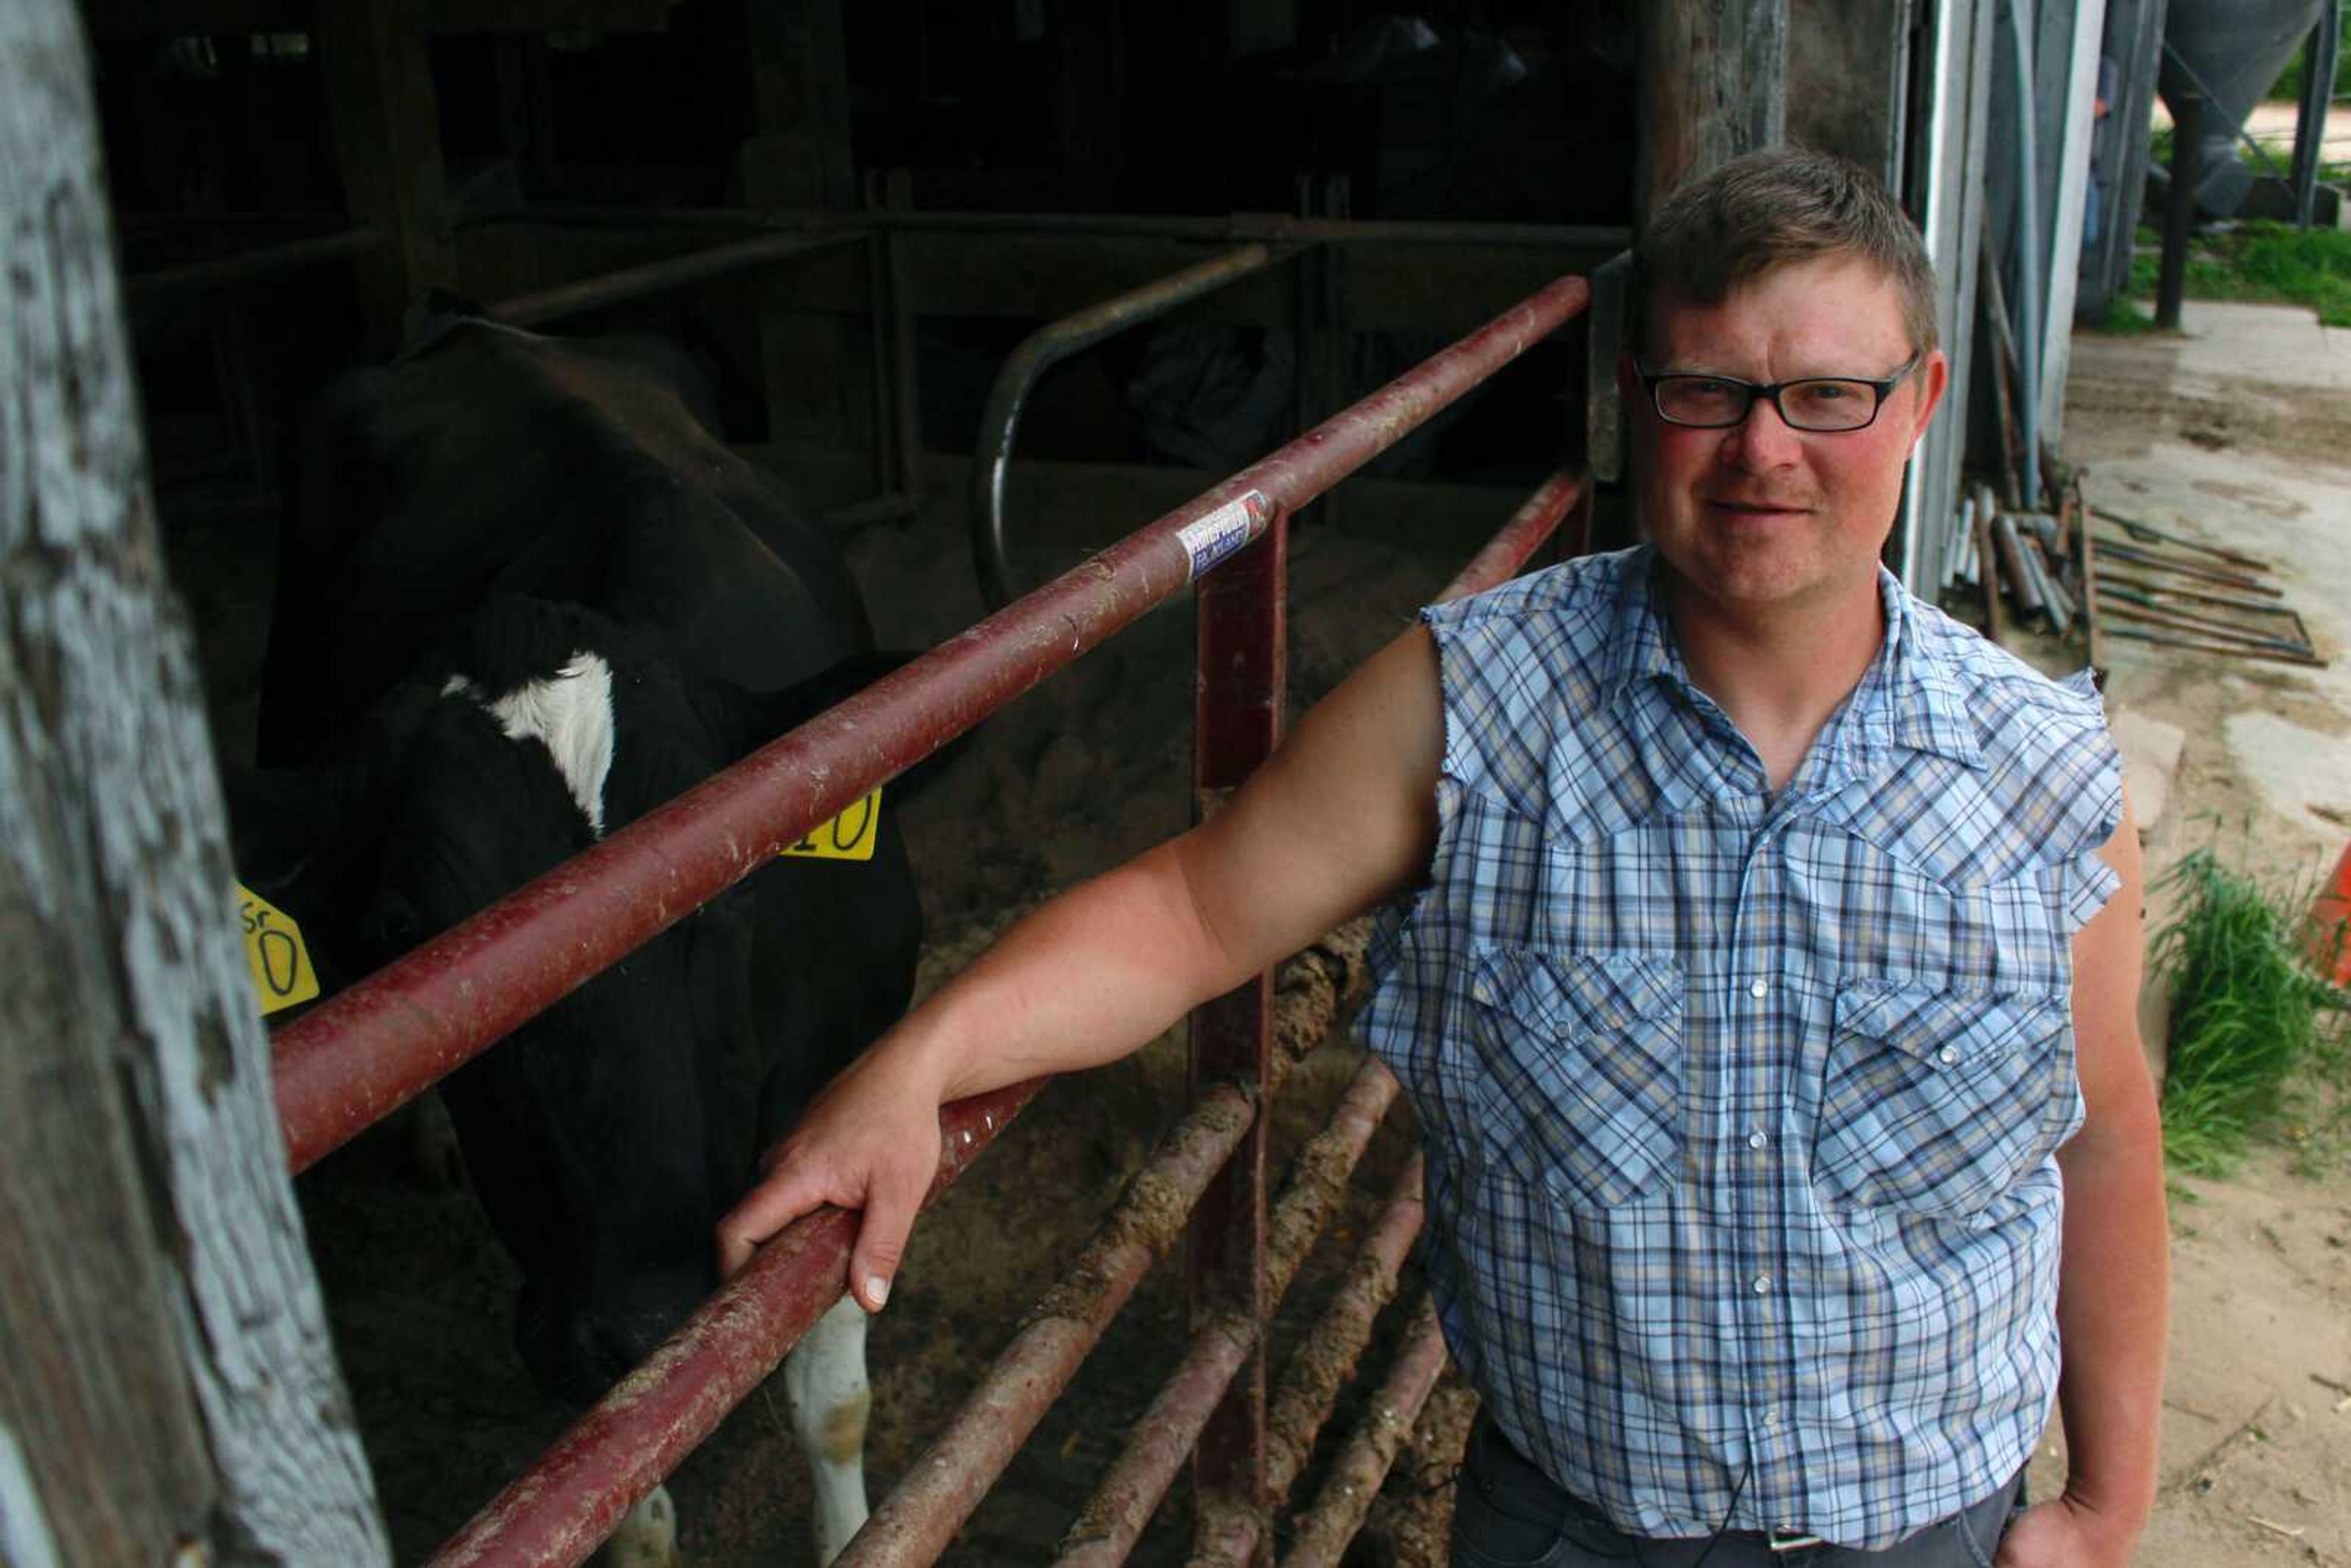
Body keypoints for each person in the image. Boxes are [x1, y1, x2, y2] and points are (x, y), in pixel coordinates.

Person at [718, 147, 2167, 1567]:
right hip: (1572, 1530)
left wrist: (2106, 1503)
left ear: (1917, 403)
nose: (1764, 451)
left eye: (1828, 396)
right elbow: (1191, 910)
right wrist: (925, 1055)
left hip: (1928, 1530)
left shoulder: (2050, 780)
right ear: (1632, 405)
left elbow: (2101, 1139)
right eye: (1705, 390)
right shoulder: (1475, 707)